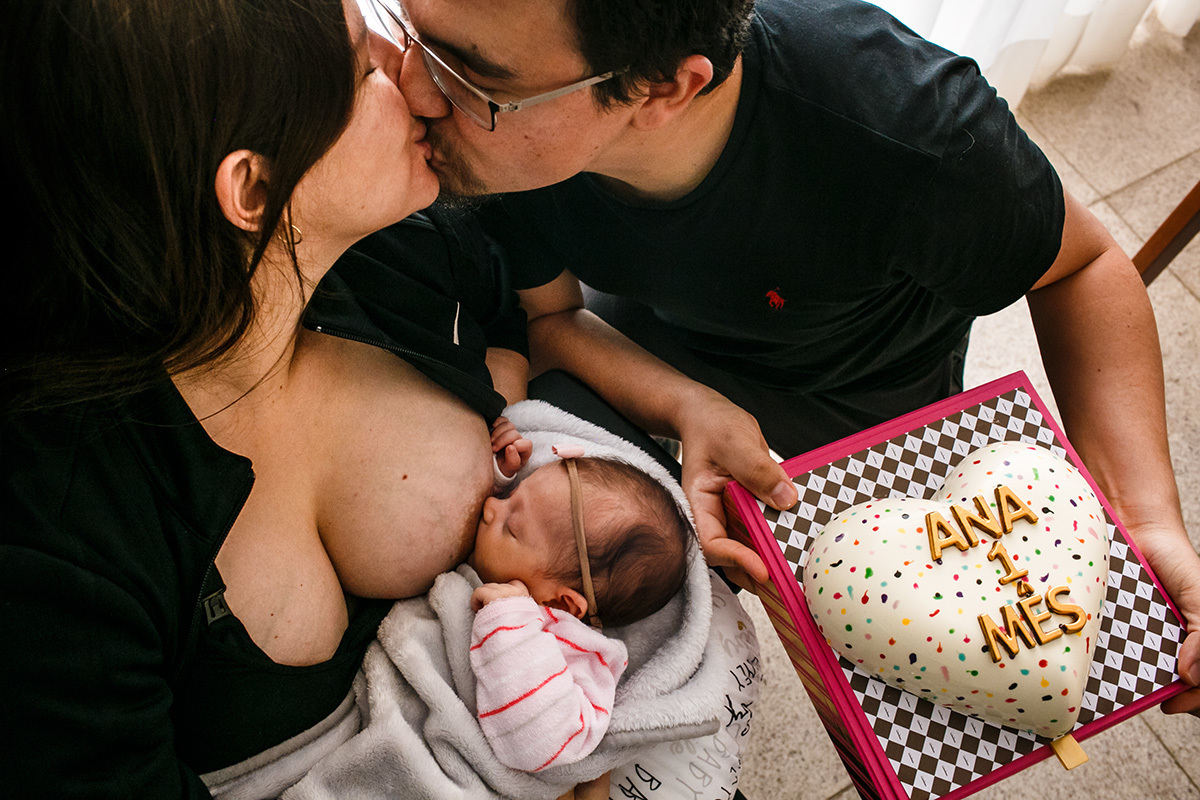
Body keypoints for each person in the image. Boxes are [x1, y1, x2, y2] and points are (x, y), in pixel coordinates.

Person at [373, 0, 1200, 715]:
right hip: (644, 340)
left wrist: (1146, 522)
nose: (411, 89)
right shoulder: (500, 148)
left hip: (857, 392)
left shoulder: (908, 134)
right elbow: (554, 318)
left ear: (662, 88)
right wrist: (689, 402)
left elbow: (1083, 267)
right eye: (414, 33)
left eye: (475, 78)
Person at [1, 0, 526, 795]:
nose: (419, 81)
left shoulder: (401, 248)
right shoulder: (64, 538)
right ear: (254, 186)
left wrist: (665, 406)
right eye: (368, 68)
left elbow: (512, 309)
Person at [469, 446, 691, 781]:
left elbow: (537, 742)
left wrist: (509, 623)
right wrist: (500, 474)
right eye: (510, 496)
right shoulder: (516, 554)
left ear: (562, 604)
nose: (490, 506)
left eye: (511, 527)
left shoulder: (580, 660)